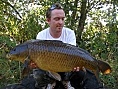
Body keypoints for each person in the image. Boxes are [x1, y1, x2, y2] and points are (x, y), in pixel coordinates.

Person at [34, 3, 103, 89]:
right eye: (57, 19)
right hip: (49, 67)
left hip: (66, 65)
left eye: (63, 19)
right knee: (37, 72)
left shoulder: (69, 33)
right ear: (48, 20)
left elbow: (72, 55)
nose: (61, 22)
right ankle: (51, 82)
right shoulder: (41, 35)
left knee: (81, 72)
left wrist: (77, 63)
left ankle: (66, 81)